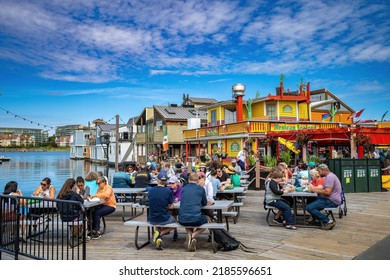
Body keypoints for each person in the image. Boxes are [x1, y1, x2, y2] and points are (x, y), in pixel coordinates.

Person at [178, 173, 208, 252]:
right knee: (207, 221)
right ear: (198, 180)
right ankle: (193, 235)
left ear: (188, 180)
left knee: (187, 219)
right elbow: (204, 203)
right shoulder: (201, 189)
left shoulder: (183, 188)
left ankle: (190, 237)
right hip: (196, 219)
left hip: (182, 219)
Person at [306, 164, 342, 230]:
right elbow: (325, 189)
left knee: (309, 208)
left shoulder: (329, 177)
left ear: (323, 170)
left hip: (331, 200)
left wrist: (315, 190)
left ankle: (328, 221)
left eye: (319, 171)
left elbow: (327, 192)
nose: (319, 174)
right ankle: (315, 219)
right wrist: (315, 189)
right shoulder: (331, 175)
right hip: (330, 199)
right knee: (310, 199)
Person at [148, 172, 176, 250]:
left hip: (152, 219)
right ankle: (160, 234)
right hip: (163, 218)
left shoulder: (151, 190)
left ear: (157, 180)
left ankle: (158, 238)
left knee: (158, 217)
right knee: (175, 222)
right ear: (166, 181)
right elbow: (171, 207)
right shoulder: (168, 191)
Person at [167, 175, 182, 241]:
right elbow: (168, 197)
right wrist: (174, 199)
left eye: (172, 183)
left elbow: (180, 196)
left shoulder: (180, 188)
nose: (171, 184)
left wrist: (177, 199)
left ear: (177, 183)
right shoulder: (168, 188)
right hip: (171, 207)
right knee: (172, 215)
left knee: (174, 215)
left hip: (179, 208)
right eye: (170, 183)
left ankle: (175, 232)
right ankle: (173, 231)